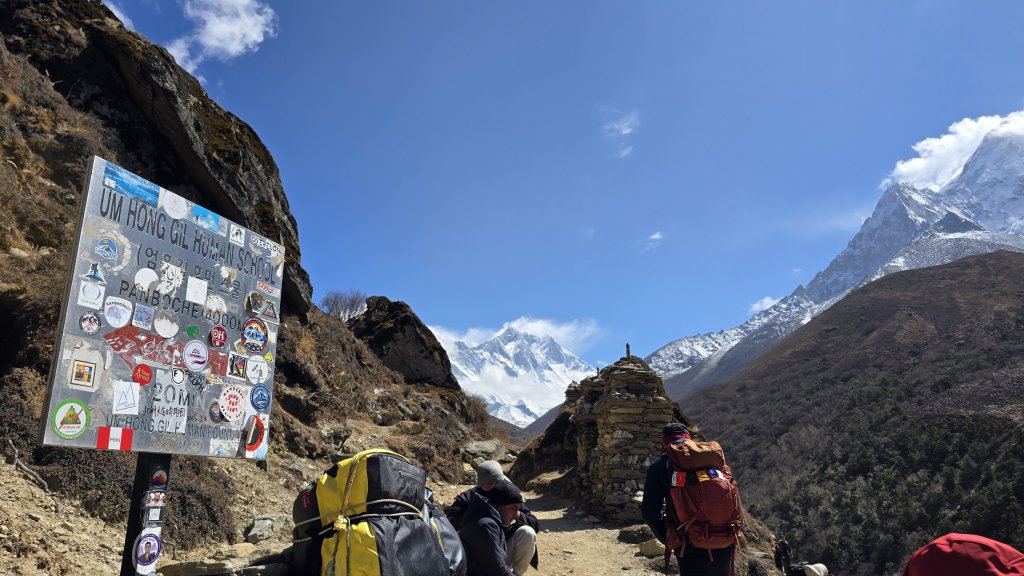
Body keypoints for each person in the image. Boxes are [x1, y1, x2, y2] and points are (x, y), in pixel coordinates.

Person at [641, 422, 735, 576]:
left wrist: (667, 537)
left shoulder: (660, 465)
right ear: (688, 438)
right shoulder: (710, 459)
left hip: (688, 544)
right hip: (724, 540)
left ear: (664, 442)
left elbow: (649, 512)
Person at [448, 460, 539, 572]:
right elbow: (451, 524)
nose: (492, 486)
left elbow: (534, 523)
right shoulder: (468, 498)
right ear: (480, 484)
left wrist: (516, 513)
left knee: (527, 532)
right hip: (477, 549)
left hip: (502, 543)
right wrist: (474, 516)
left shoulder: (508, 495)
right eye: (488, 483)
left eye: (495, 482)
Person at [457, 479, 536, 576]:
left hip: (486, 569)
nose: (516, 515)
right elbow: (498, 571)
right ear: (500, 505)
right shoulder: (484, 525)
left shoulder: (491, 519)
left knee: (526, 532)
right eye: (514, 509)